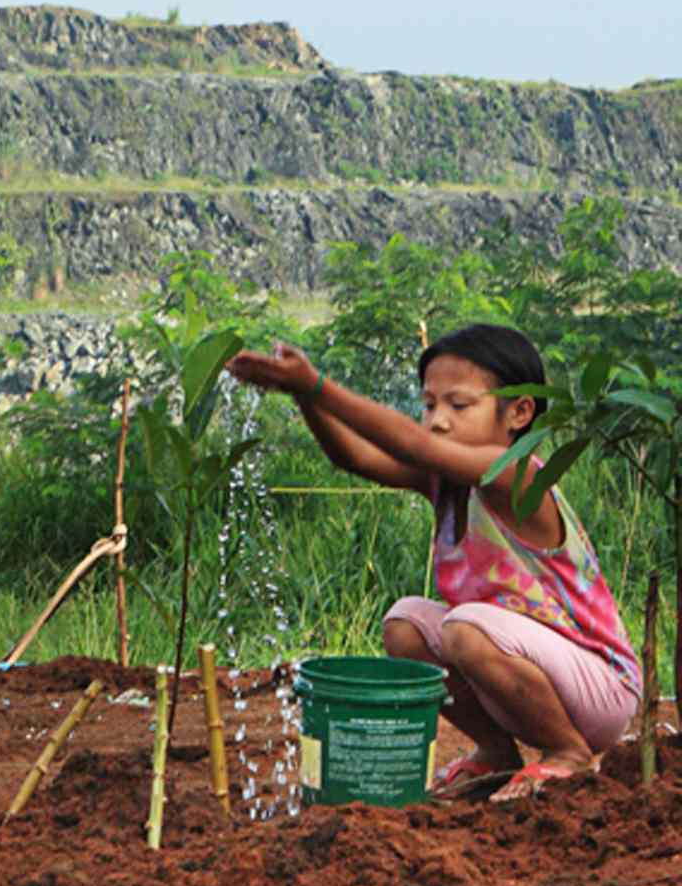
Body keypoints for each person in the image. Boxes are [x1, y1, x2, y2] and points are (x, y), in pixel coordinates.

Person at [227, 325, 640, 803]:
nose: (438, 420)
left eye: (458, 406)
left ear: (520, 412)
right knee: (406, 623)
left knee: (463, 627)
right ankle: (495, 750)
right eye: (429, 405)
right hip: (521, 665)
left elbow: (415, 446)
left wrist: (318, 386)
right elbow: (355, 459)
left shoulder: (517, 474)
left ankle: (568, 752)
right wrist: (303, 399)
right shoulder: (445, 482)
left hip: (600, 689)